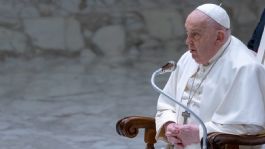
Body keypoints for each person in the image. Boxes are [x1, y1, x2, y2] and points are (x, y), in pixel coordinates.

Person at [155, 3, 265, 149]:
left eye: (195, 34)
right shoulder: (188, 58)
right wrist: (169, 125)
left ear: (219, 37)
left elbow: (249, 127)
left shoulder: (245, 68)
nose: (188, 42)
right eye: (187, 33)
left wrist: (199, 133)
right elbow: (166, 104)